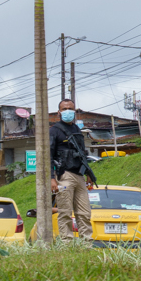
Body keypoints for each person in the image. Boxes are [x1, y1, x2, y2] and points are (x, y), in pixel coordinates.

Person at [50, 99, 96, 239]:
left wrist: (88, 173)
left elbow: (82, 153)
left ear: (75, 111)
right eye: (64, 109)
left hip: (79, 176)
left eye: (70, 108)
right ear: (59, 112)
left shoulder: (77, 130)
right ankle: (67, 244)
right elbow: (48, 156)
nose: (67, 111)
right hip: (64, 175)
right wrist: (52, 178)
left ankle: (86, 243)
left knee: (84, 213)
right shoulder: (54, 130)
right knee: (65, 213)